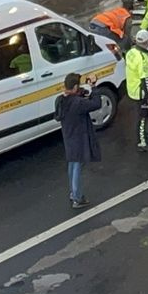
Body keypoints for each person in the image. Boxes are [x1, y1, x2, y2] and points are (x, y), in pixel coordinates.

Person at [54, 72, 102, 209]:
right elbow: (96, 103)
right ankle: (77, 197)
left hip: (68, 136)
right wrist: (94, 87)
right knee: (77, 166)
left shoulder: (60, 100)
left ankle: (73, 192)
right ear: (75, 87)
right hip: (79, 137)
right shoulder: (78, 103)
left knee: (72, 164)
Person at [124, 29, 148, 152]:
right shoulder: (143, 60)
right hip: (141, 93)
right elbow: (146, 80)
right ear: (147, 41)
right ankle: (142, 142)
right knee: (143, 117)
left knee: (141, 117)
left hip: (132, 89)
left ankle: (143, 135)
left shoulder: (131, 52)